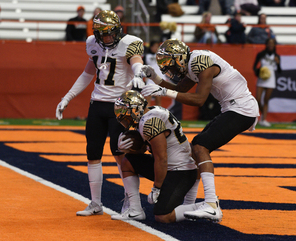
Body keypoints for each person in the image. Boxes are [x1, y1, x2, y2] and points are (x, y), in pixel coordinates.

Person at [140, 39, 259, 222]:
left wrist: (163, 92)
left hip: (242, 108)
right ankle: (190, 205)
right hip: (231, 108)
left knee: (200, 146)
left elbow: (199, 99)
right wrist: (155, 78)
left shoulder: (200, 61)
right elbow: (180, 89)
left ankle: (211, 204)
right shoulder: (191, 64)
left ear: (179, 59)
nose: (169, 69)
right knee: (195, 148)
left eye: (169, 64)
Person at [56, 10, 146, 216]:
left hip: (120, 106)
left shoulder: (129, 43)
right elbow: (88, 73)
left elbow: (137, 61)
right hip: (97, 104)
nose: (108, 37)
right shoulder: (93, 43)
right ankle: (95, 203)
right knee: (92, 154)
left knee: (120, 155)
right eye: (103, 33)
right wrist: (67, 97)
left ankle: (134, 206)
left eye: (111, 32)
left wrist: (139, 73)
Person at [111, 90, 201, 223]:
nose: (125, 120)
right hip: (171, 166)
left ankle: (203, 206)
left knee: (163, 216)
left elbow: (161, 158)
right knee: (128, 161)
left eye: (126, 115)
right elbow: (150, 150)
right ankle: (135, 210)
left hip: (181, 170)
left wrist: (156, 188)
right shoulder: (151, 112)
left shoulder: (150, 123)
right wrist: (129, 148)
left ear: (135, 109)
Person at [253, 38, 281, 127]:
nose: (270, 45)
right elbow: (254, 67)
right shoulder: (261, 54)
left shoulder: (276, 56)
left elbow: (280, 71)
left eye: (272, 44)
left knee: (266, 100)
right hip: (262, 78)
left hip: (271, 79)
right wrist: (259, 72)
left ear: (274, 45)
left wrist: (278, 63)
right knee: (257, 99)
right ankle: (259, 115)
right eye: (269, 43)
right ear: (266, 44)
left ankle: (263, 119)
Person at [143, 41, 164, 106]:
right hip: (150, 80)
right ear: (151, 47)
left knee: (158, 101)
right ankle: (147, 115)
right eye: (154, 46)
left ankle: (158, 115)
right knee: (148, 101)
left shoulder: (162, 56)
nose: (156, 48)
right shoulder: (147, 56)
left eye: (157, 46)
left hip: (159, 79)